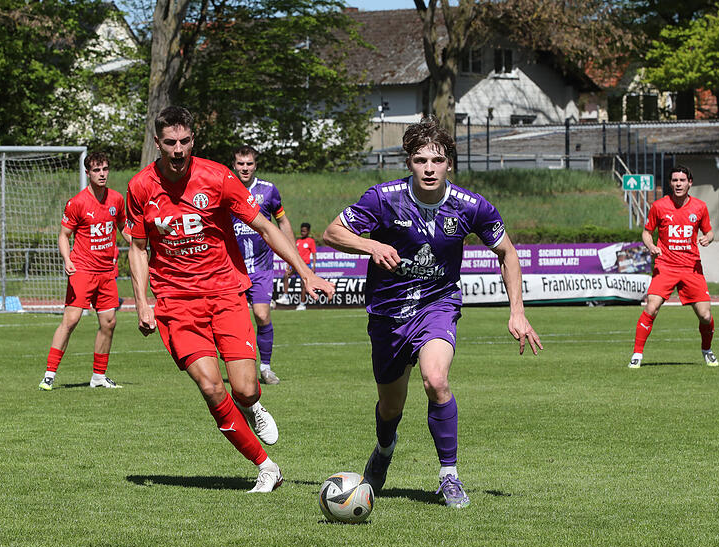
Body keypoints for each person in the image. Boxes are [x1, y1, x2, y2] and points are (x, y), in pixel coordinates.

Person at [323, 116, 542, 508]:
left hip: (437, 306)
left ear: (449, 165)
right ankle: (384, 450)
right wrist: (372, 245)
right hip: (388, 314)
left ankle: (449, 476)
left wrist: (517, 312)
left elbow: (507, 253)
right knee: (391, 407)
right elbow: (332, 232)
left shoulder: (471, 206)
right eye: (420, 160)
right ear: (409, 163)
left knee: (436, 380)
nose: (429, 168)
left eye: (437, 160)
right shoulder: (383, 198)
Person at [126, 106, 335, 493]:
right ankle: (266, 467)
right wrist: (142, 301)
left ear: (193, 140)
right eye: (169, 142)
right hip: (176, 302)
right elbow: (138, 248)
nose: (177, 150)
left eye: (184, 141)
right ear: (157, 143)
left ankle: (252, 405)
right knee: (210, 387)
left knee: (245, 388)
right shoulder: (140, 187)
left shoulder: (218, 177)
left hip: (225, 294)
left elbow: (265, 226)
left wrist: (306, 272)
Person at [38, 152, 130, 391]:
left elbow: (123, 227)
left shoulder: (117, 199)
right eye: (97, 170)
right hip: (82, 270)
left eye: (105, 169)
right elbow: (63, 235)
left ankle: (99, 376)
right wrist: (67, 259)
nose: (102, 174)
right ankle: (49, 375)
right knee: (71, 320)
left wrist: (138, 243)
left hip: (106, 273)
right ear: (88, 173)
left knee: (109, 322)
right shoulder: (77, 202)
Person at [628, 165, 718, 368]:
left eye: (682, 180)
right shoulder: (659, 206)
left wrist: (708, 238)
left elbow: (709, 231)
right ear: (670, 183)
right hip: (665, 266)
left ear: (690, 183)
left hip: (691, 267)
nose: (678, 184)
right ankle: (637, 354)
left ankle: (707, 350)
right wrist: (651, 246)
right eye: (675, 180)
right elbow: (647, 232)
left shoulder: (700, 207)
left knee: (705, 315)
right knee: (651, 307)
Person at [231, 145, 296, 384]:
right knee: (236, 323)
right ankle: (238, 366)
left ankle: (266, 368)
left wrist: (292, 255)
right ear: (234, 165)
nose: (245, 168)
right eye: (240, 163)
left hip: (261, 266)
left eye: (249, 163)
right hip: (233, 268)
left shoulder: (268, 190)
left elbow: (283, 222)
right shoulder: (225, 189)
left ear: (255, 165)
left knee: (261, 314)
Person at [279, 222, 317, 311]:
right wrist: (289, 264)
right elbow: (292, 254)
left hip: (305, 265)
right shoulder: (298, 241)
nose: (302, 233)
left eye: (304, 231)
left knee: (303, 284)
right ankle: (285, 296)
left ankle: (302, 304)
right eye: (301, 231)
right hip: (296, 264)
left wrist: (313, 266)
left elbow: (314, 254)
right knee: (286, 275)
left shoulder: (310, 241)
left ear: (308, 231)